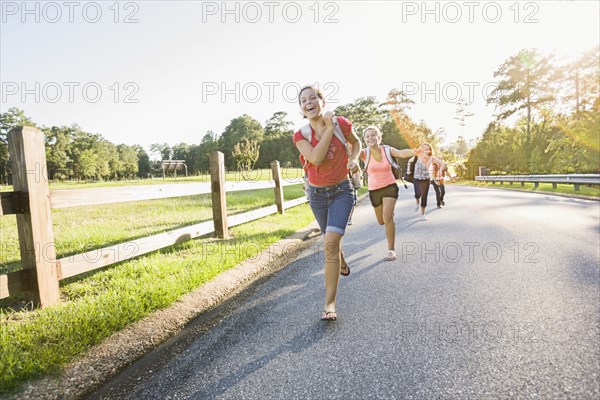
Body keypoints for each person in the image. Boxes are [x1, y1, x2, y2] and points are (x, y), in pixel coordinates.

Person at [293, 85, 362, 322]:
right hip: (317, 195)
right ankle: (341, 260)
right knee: (330, 237)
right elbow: (315, 158)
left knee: (330, 241)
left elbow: (356, 143)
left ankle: (329, 304)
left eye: (313, 97)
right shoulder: (300, 135)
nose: (308, 102)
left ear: (322, 101)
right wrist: (330, 128)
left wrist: (353, 160)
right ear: (301, 109)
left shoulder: (342, 123)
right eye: (303, 100)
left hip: (342, 190)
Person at [361, 127, 420, 261]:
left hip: (389, 186)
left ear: (379, 137)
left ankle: (391, 250)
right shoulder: (364, 153)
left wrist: (417, 151)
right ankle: (389, 220)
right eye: (367, 136)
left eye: (373, 135)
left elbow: (402, 153)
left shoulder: (387, 150)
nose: (370, 138)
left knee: (387, 217)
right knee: (382, 221)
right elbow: (349, 151)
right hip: (374, 190)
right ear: (364, 140)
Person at [411, 142, 446, 221]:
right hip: (416, 178)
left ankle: (423, 214)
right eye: (424, 148)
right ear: (421, 148)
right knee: (418, 194)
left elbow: (443, 163)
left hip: (426, 179)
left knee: (424, 196)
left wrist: (440, 170)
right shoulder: (417, 156)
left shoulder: (432, 158)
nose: (426, 150)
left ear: (430, 150)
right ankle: (417, 202)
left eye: (428, 149)